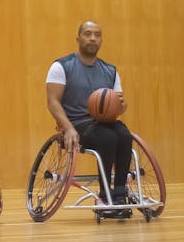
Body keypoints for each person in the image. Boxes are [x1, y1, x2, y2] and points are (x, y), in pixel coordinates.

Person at [46, 20, 132, 217]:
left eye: (97, 34)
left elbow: (119, 104)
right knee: (108, 138)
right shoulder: (61, 66)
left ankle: (119, 194)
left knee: (125, 135)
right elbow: (53, 102)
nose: (92, 38)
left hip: (105, 122)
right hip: (77, 123)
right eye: (87, 33)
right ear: (78, 38)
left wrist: (120, 105)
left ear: (101, 39)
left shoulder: (111, 70)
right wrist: (68, 128)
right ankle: (104, 196)